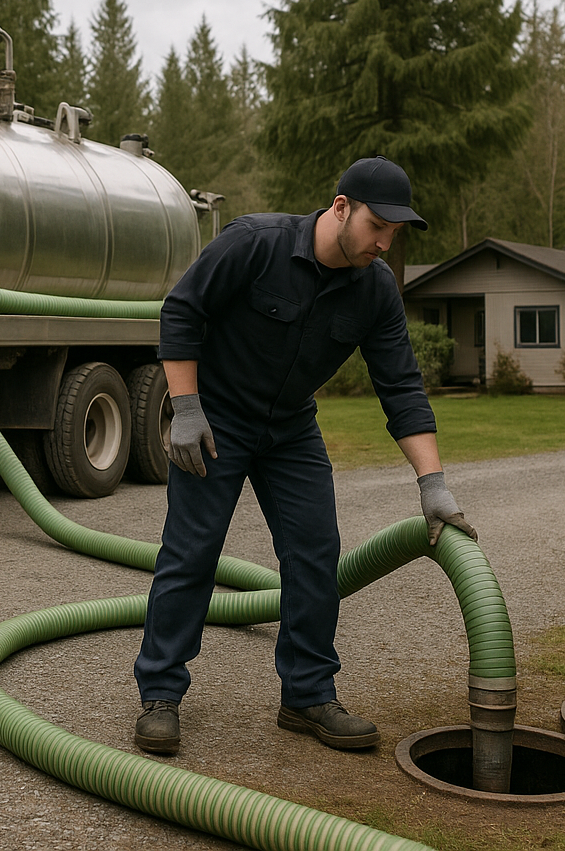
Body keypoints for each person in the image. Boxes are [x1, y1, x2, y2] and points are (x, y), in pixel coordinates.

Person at [132, 155, 477, 756]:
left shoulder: (375, 290)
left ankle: (307, 695)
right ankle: (160, 694)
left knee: (316, 552)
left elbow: (401, 386)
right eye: (378, 226)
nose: (385, 243)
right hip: (216, 420)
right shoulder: (253, 244)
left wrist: (433, 482)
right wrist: (184, 409)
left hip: (291, 430)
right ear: (340, 207)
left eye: (396, 233)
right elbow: (182, 311)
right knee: (193, 551)